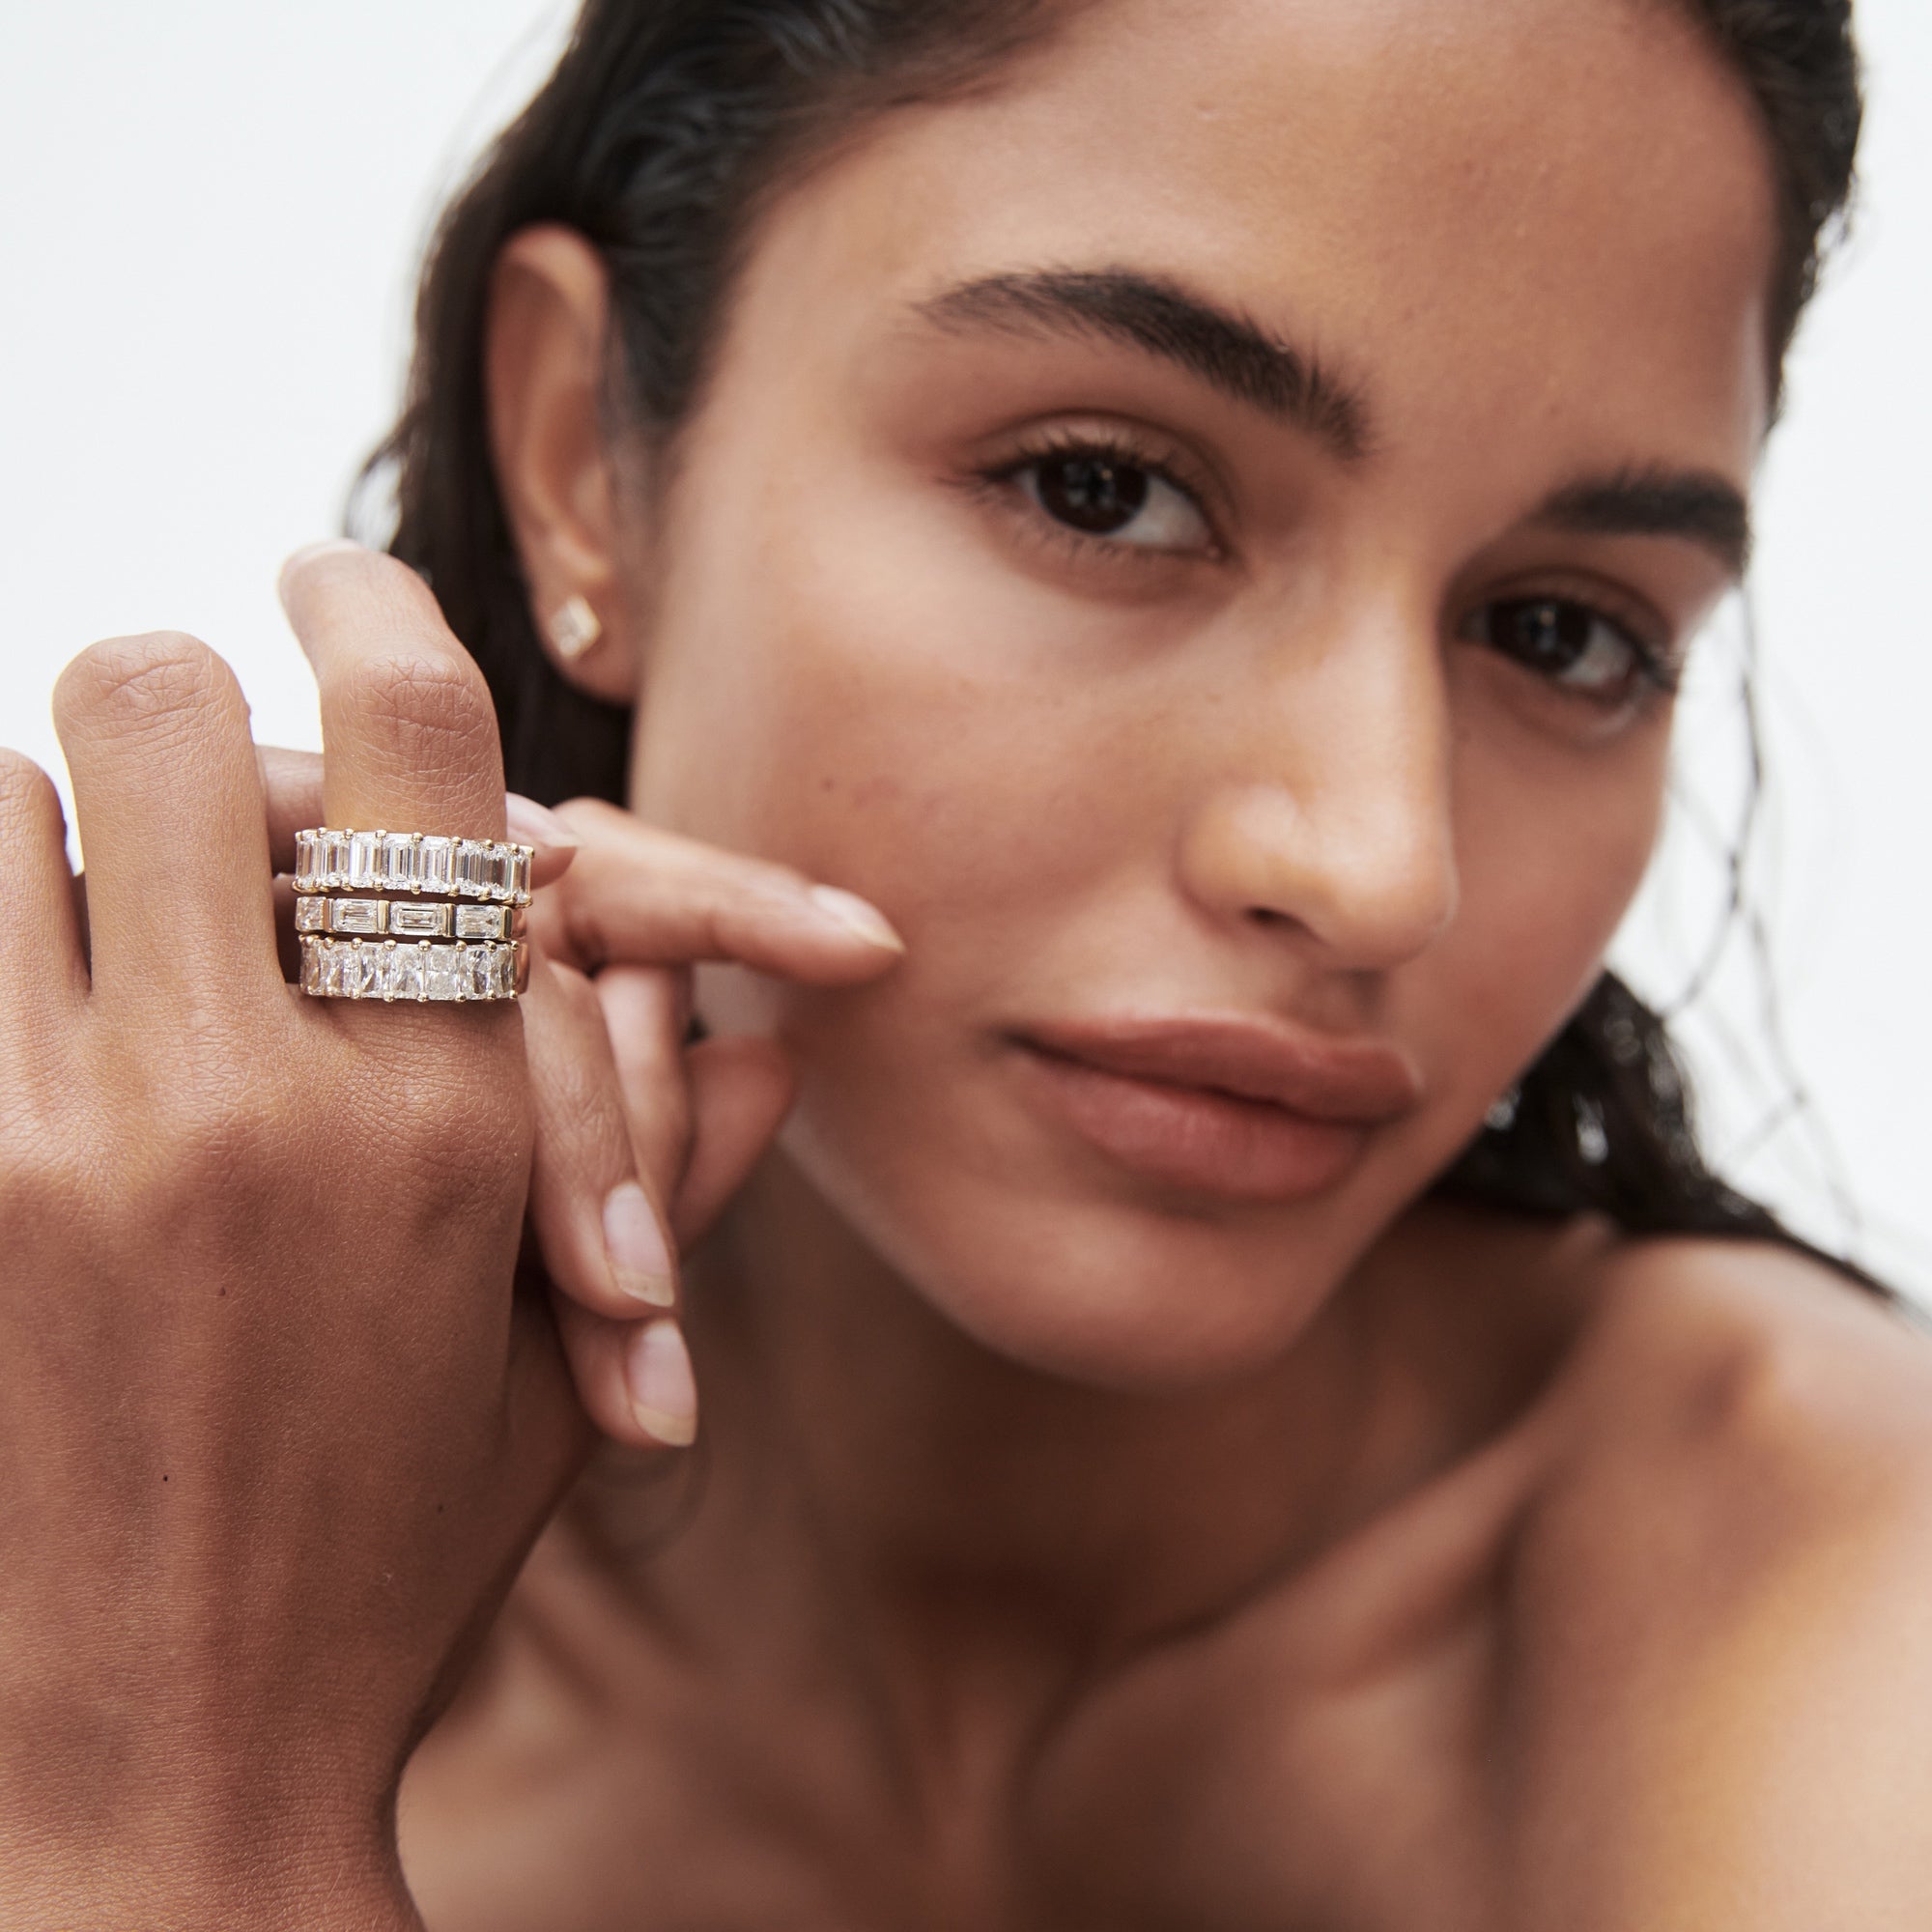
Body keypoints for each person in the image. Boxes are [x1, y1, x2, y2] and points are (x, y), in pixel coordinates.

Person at [3, 0, 1928, 1924]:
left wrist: (169, 1810)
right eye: (1102, 487)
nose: (1372, 863)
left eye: (1562, 631)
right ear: (583, 455)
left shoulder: (1848, 1612)